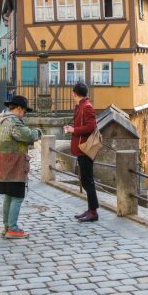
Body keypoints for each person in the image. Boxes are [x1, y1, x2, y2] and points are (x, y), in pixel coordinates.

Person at [0, 95, 42, 239]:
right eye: (24, 111)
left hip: (3, 164)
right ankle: (13, 229)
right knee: (17, 197)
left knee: (9, 196)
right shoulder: (14, 122)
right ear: (19, 109)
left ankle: (7, 226)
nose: (24, 115)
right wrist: (38, 132)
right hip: (14, 164)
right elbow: (28, 136)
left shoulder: (3, 120)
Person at [64, 82, 98, 222]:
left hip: (85, 149)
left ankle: (93, 212)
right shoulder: (81, 106)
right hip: (80, 148)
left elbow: (91, 126)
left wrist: (74, 130)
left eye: (72, 93)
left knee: (87, 181)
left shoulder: (87, 107)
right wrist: (72, 127)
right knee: (85, 180)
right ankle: (91, 209)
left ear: (74, 93)